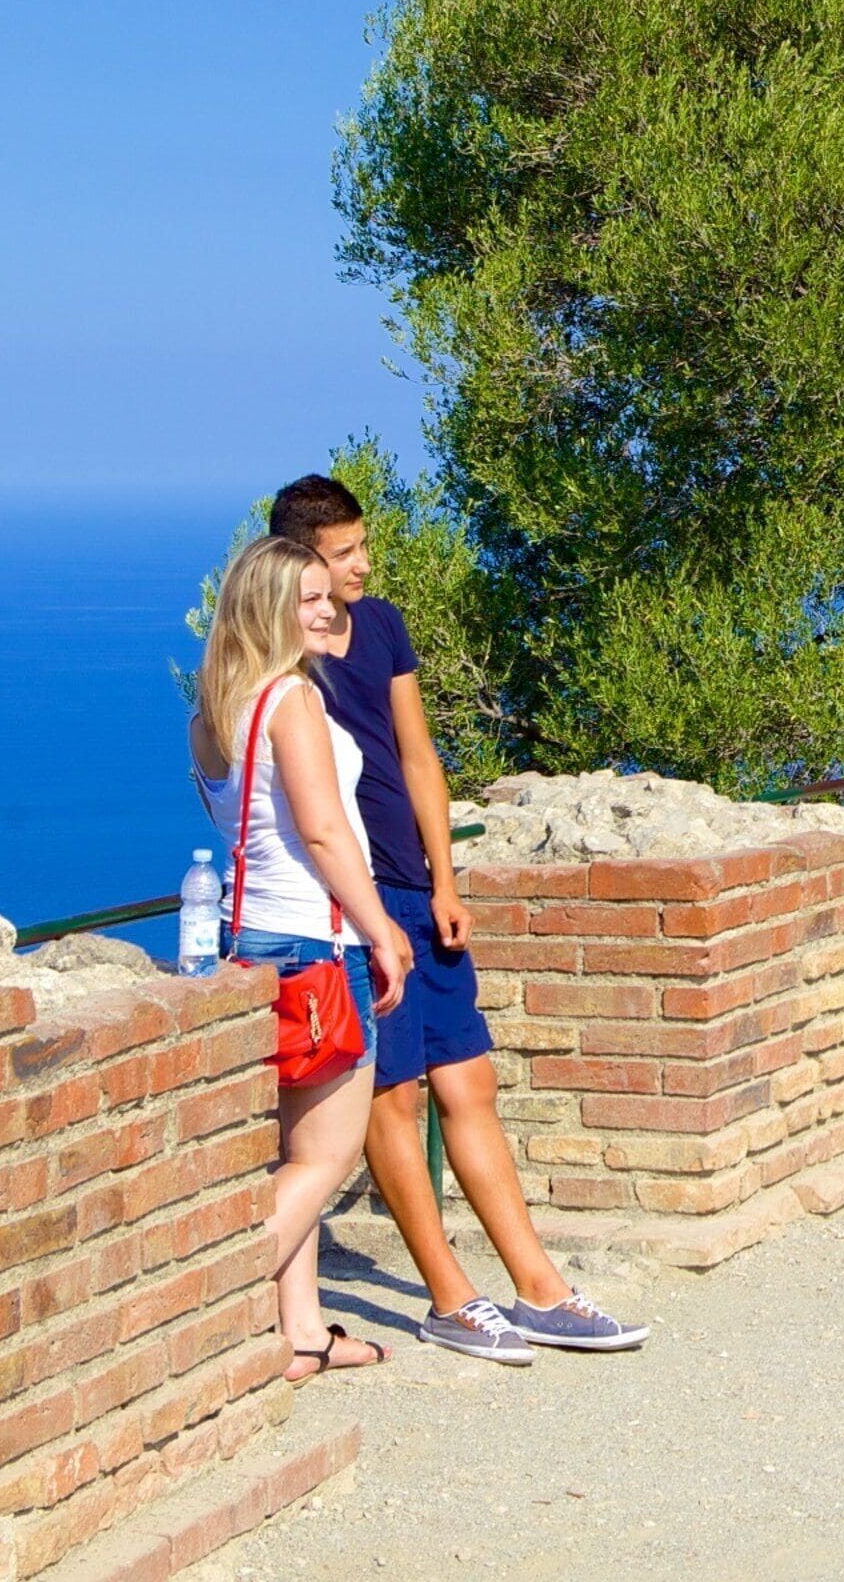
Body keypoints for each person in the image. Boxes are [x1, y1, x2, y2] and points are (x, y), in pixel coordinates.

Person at [271, 476, 646, 1363]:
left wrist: (446, 878)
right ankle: (450, 1297)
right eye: (342, 554)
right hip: (356, 906)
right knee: (391, 1102)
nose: (361, 566)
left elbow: (419, 753)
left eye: (362, 546)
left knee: (469, 1082)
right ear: (298, 563)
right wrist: (370, 916)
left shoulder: (386, 627)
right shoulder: (288, 662)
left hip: (416, 889)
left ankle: (543, 1290)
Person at [190, 536, 417, 1383]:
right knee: (327, 1157)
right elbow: (323, 831)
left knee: (295, 1155)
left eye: (328, 595)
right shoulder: (290, 700)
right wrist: (383, 934)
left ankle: (304, 1333)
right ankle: (202, 1324)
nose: (329, 611)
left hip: (249, 944)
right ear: (268, 610)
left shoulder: (214, 710)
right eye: (308, 599)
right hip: (319, 946)